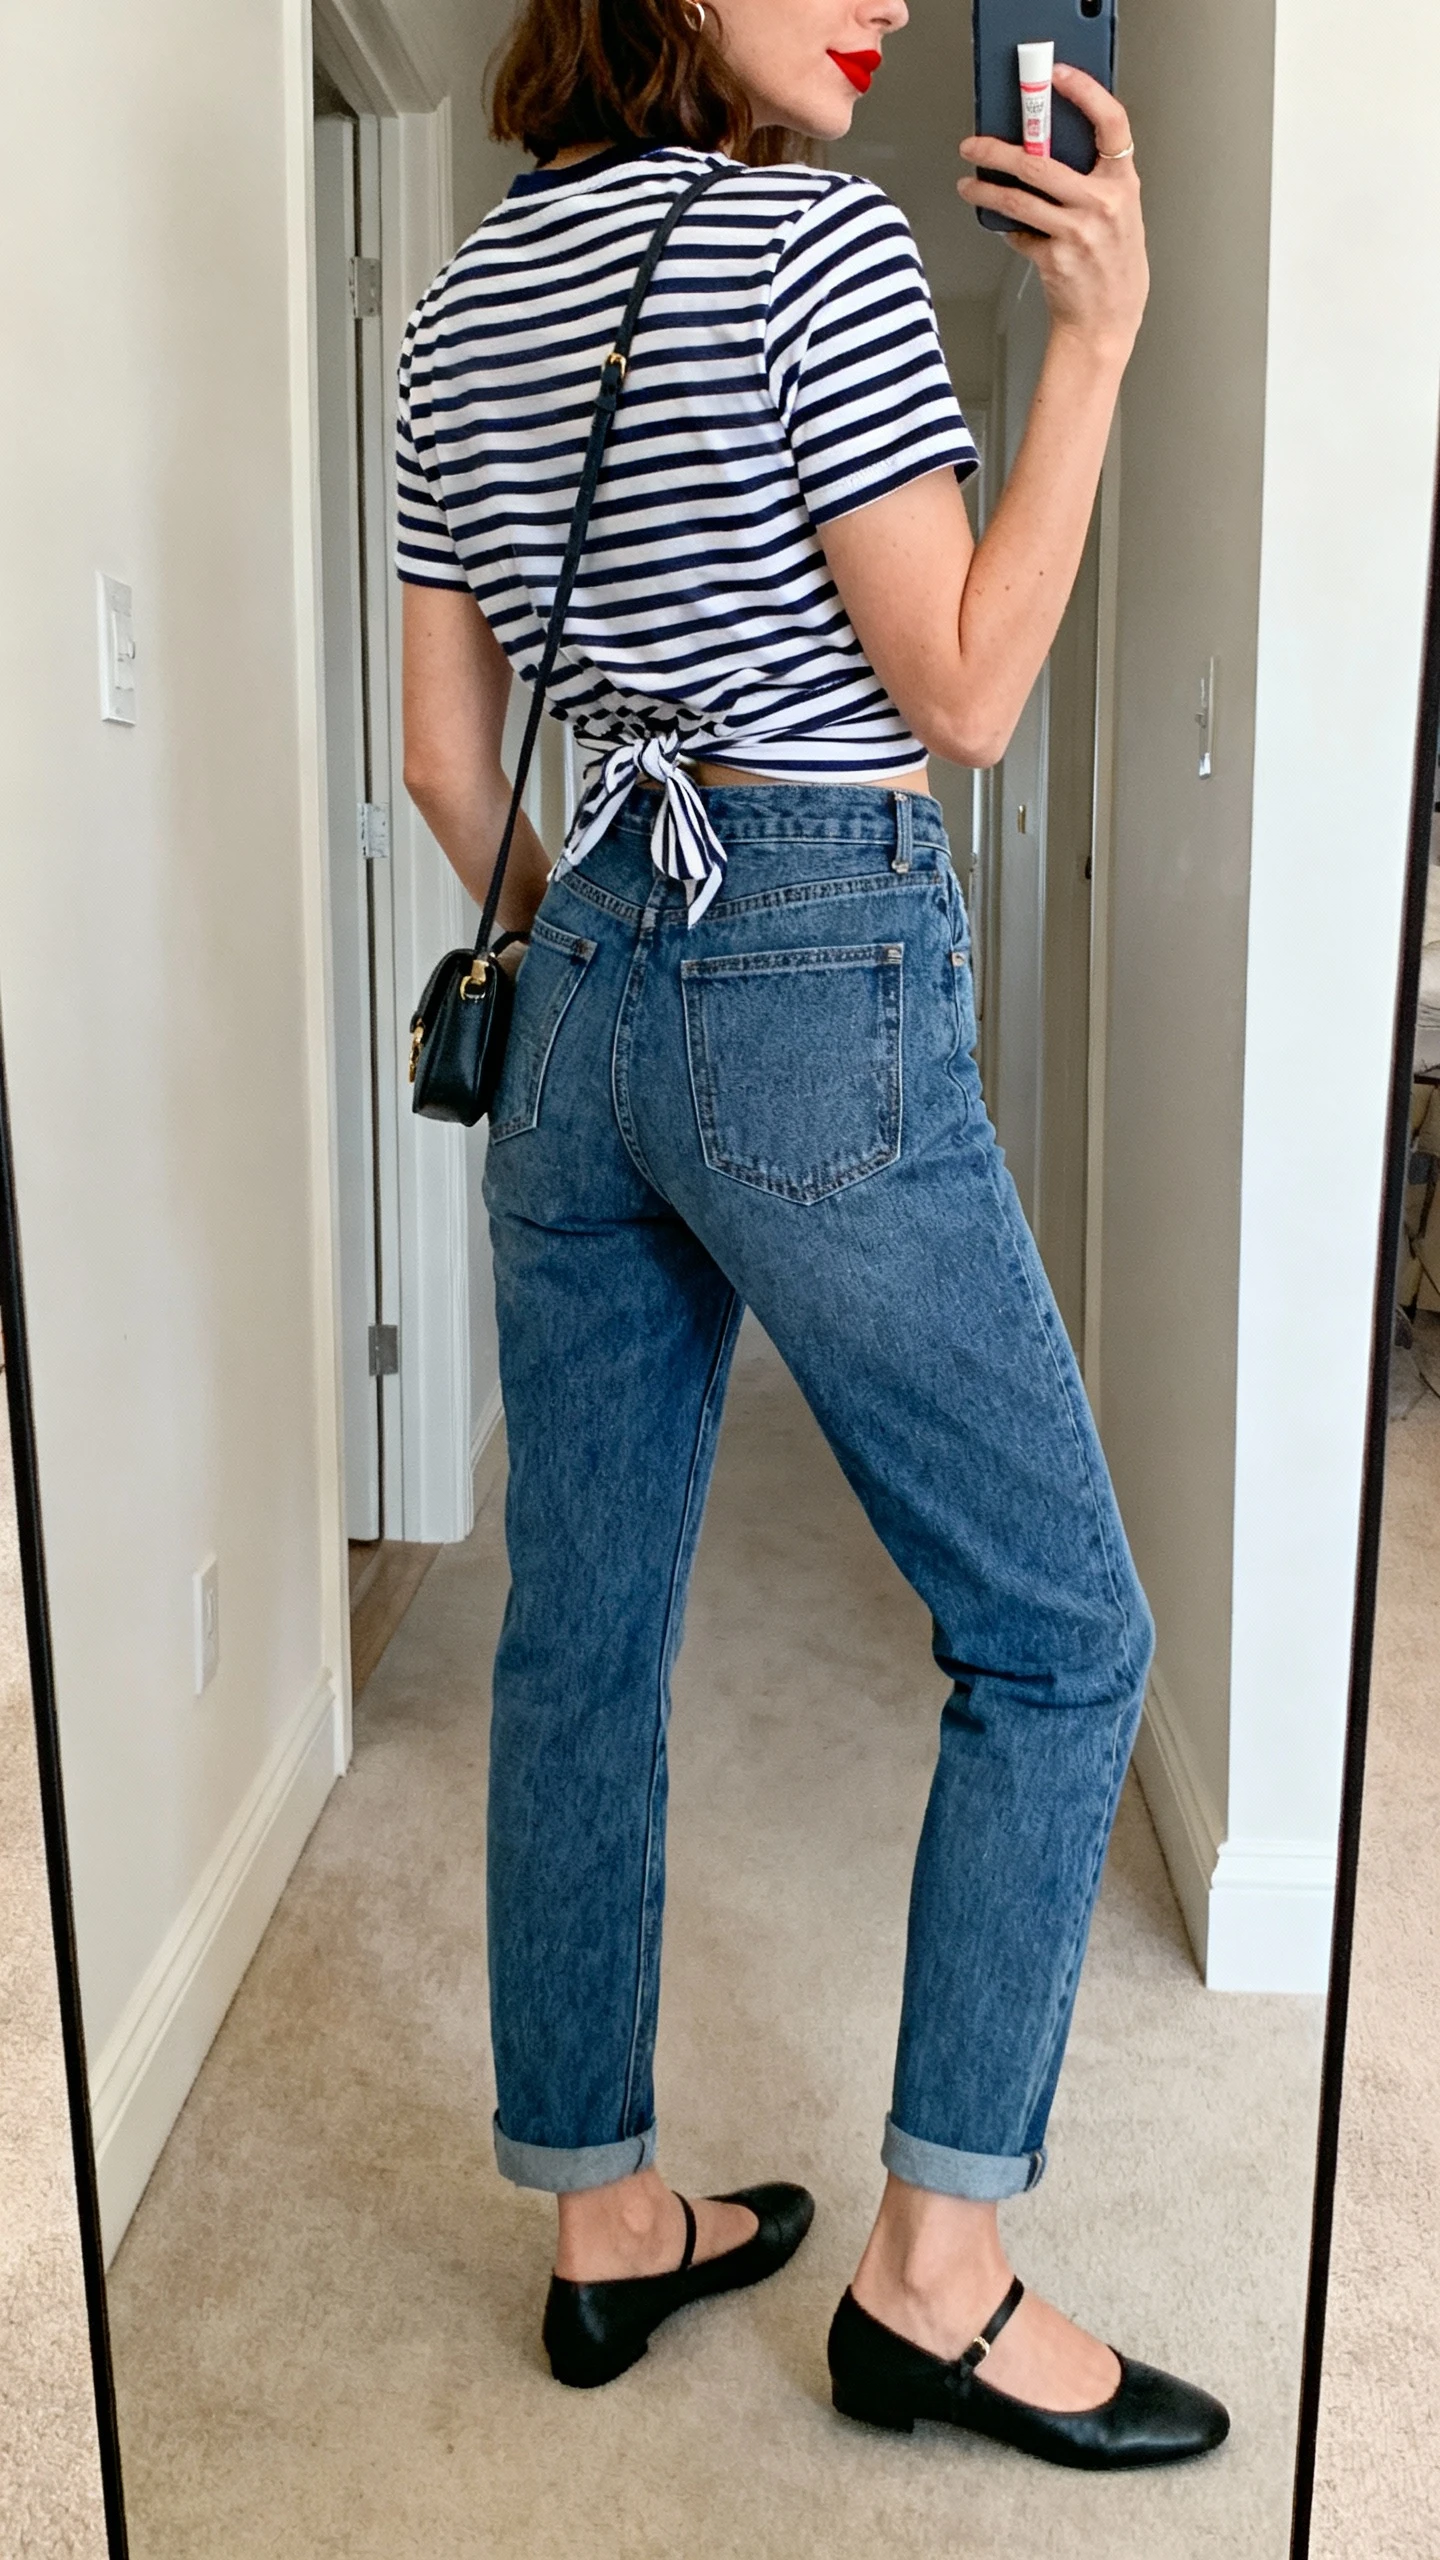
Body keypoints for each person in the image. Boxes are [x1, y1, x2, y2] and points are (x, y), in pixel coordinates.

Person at [398, 0, 1228, 2469]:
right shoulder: (812, 241)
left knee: (578, 1642)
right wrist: (1096, 339)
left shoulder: (461, 304)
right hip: (806, 956)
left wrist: (593, 973)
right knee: (1070, 1628)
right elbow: (967, 687)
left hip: (579, 990)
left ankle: (603, 2215)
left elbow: (451, 759)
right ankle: (936, 2274)